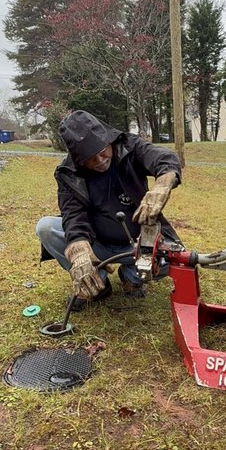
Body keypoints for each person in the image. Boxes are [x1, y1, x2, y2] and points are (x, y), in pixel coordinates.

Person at [36, 111, 181, 308]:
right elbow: (72, 214)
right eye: (90, 157)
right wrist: (79, 253)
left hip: (138, 242)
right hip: (96, 245)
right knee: (46, 228)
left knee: (175, 258)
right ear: (78, 159)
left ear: (108, 139)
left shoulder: (129, 146)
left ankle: (132, 277)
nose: (100, 159)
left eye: (103, 149)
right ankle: (98, 281)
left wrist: (163, 184)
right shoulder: (68, 173)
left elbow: (164, 158)